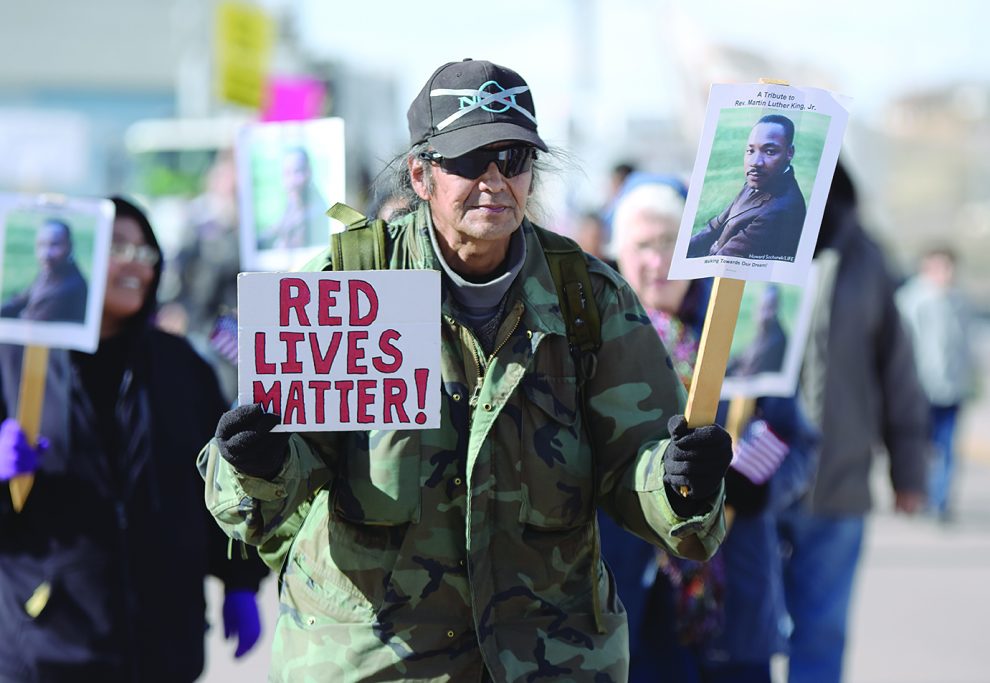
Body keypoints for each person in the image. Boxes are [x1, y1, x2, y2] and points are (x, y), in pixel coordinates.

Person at [199, 58, 735, 681]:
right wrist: (258, 464)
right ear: (422, 175)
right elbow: (267, 490)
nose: (493, 181)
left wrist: (677, 484)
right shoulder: (348, 287)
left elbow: (637, 461)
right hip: (376, 661)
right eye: (468, 160)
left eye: (513, 159)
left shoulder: (589, 298)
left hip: (548, 658)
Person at [0, 197, 268, 682]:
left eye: (146, 253)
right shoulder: (15, 360)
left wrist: (240, 581)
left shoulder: (180, 365)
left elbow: (220, 484)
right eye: (116, 247)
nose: (134, 265)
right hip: (46, 647)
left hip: (165, 646)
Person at [601, 177, 817, 683]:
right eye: (641, 246)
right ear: (617, 254)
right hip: (630, 593)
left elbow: (796, 439)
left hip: (733, 590)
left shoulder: (739, 333)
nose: (656, 262)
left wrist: (761, 483)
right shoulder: (596, 343)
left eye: (669, 245)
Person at [780, 160, 928, 683]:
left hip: (838, 483)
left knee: (822, 631)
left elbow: (897, 369)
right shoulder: (746, 241)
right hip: (752, 482)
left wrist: (909, 472)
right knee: (741, 636)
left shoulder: (865, 258)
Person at [896, 245, 975, 522]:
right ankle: (919, 495)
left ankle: (941, 503)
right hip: (919, 388)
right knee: (920, 446)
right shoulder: (910, 301)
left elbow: (965, 346)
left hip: (951, 388)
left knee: (948, 447)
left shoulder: (960, 302)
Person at [687, 114, 806, 261]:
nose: (755, 162)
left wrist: (714, 248)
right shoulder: (759, 180)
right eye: (751, 151)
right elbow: (715, 226)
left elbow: (724, 259)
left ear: (789, 153)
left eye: (769, 151)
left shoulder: (780, 209)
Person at [1, 218, 88, 323]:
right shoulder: (50, 271)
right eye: (41, 244)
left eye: (54, 245)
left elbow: (30, 324)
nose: (46, 254)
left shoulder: (70, 287)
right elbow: (19, 300)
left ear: (69, 246)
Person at [261, 146, 329, 250]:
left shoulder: (317, 212)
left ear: (308, 172)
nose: (291, 181)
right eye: (287, 173)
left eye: (297, 172)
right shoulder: (293, 203)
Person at [726, 285, 788, 377]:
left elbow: (749, 374)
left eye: (768, 308)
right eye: (760, 308)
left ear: (776, 309)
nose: (762, 314)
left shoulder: (776, 341)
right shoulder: (764, 333)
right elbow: (742, 357)